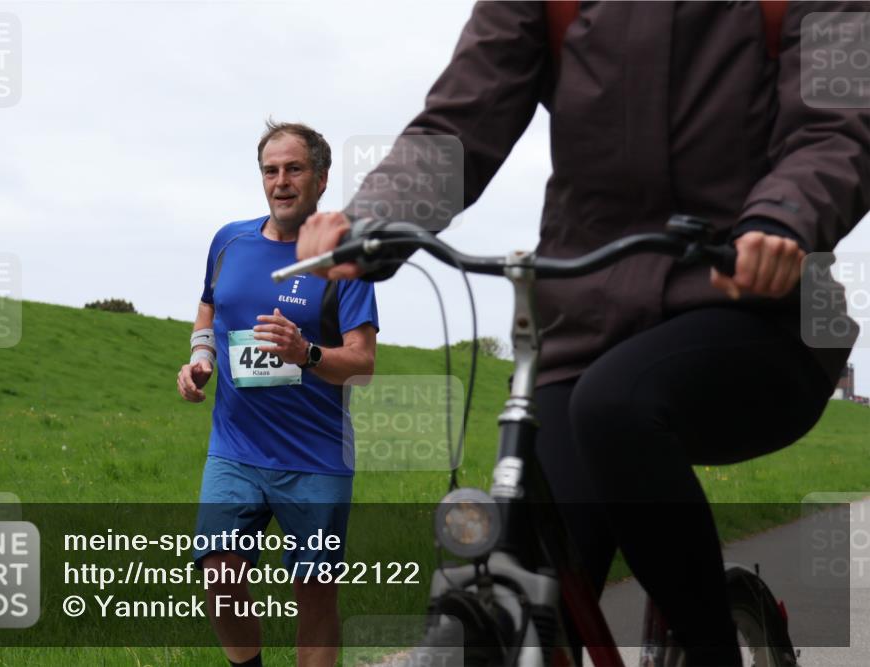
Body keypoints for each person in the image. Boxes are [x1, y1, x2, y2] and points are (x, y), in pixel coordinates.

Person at [294, 3, 869, 666]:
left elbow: (837, 125)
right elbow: (459, 122)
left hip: (755, 310)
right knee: (551, 568)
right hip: (583, 327)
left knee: (615, 406)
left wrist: (782, 219)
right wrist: (374, 217)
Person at [177, 121, 379, 667]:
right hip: (235, 450)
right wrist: (202, 358)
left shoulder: (345, 258)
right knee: (218, 573)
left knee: (314, 595)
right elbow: (209, 307)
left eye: (294, 169)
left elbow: (362, 364)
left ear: (321, 178)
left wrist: (306, 353)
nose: (281, 181)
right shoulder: (229, 241)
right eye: (271, 170)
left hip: (315, 457)